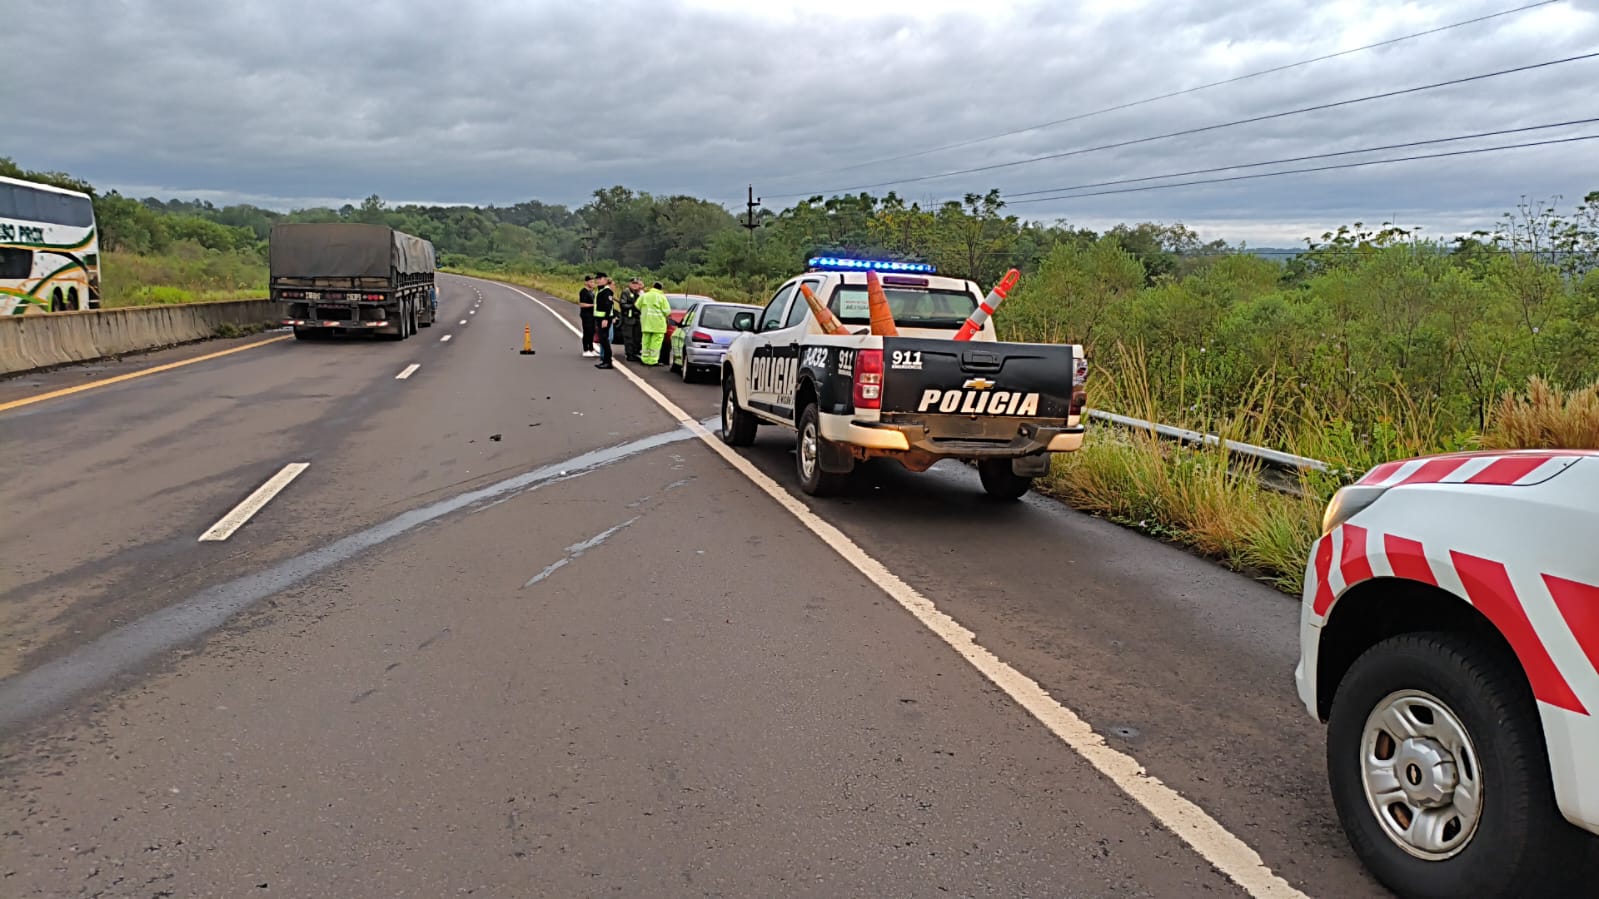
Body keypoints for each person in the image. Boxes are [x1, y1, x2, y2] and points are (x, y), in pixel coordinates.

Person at [637, 281, 672, 366]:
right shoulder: (662, 297)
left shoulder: (645, 296)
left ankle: (645, 359)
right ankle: (652, 360)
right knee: (655, 344)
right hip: (658, 325)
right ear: (661, 288)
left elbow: (637, 305)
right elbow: (667, 312)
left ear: (653, 286)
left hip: (646, 323)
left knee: (645, 342)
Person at [592, 273, 616, 369]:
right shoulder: (600, 290)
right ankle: (605, 361)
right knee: (602, 340)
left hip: (604, 319)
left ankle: (608, 361)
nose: (598, 280)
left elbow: (608, 305)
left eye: (600, 279)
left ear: (605, 280)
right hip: (599, 318)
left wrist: (606, 318)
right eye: (597, 279)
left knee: (605, 340)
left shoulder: (607, 291)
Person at [619, 277, 644, 362]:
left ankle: (635, 352)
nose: (635, 285)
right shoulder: (626, 292)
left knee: (637, 337)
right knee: (629, 337)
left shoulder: (640, 293)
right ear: (630, 284)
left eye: (636, 283)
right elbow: (623, 305)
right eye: (633, 283)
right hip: (628, 318)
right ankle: (629, 354)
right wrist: (633, 306)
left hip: (637, 318)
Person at [578, 274, 597, 357]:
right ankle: (585, 349)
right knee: (587, 332)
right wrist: (593, 305)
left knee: (592, 332)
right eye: (591, 282)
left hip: (592, 314)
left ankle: (591, 349)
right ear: (586, 282)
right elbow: (582, 304)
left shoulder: (592, 292)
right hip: (586, 314)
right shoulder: (583, 292)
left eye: (593, 282)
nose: (593, 283)